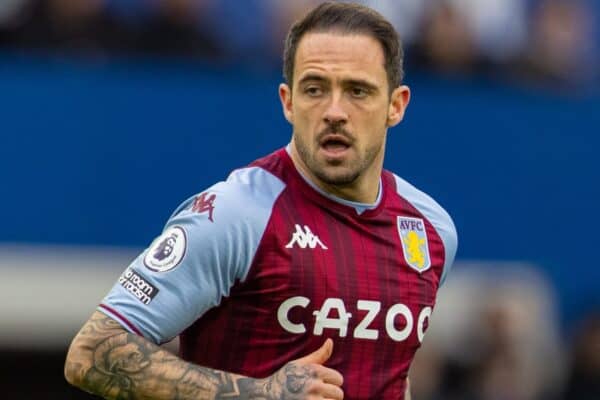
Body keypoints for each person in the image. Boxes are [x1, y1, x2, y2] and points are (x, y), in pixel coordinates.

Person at [64, 2, 457, 399]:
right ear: (288, 101)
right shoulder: (236, 214)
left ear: (396, 105)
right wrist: (259, 394)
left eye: (358, 91)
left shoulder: (431, 229)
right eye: (315, 89)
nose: (334, 112)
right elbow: (91, 352)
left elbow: (389, 376)